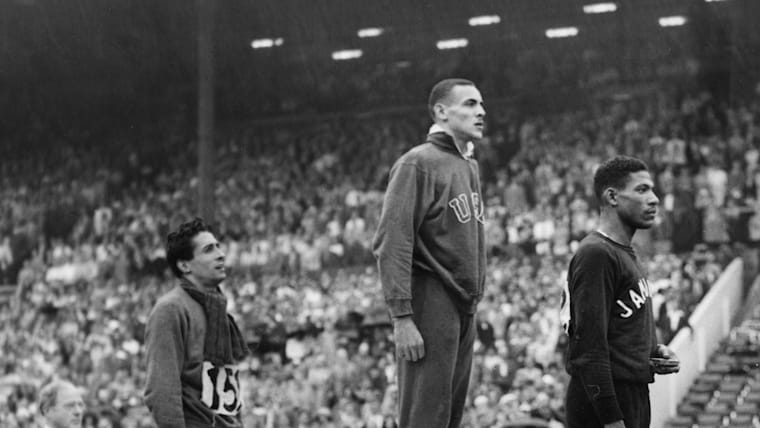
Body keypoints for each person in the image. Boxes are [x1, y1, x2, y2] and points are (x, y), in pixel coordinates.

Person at [372, 78, 487, 428]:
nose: (481, 111)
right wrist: (401, 317)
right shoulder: (417, 163)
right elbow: (392, 241)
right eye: (469, 104)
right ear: (441, 112)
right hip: (430, 298)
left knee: (449, 417)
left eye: (481, 104)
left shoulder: (468, 165)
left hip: (463, 303)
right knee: (425, 417)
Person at [562, 156, 680, 428]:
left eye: (652, 190)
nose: (654, 199)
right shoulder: (597, 254)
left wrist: (653, 353)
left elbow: (618, 330)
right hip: (604, 402)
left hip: (630, 394)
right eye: (642, 190)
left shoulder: (623, 252)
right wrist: (611, 418)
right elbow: (589, 348)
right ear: (612, 196)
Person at [144, 218, 249, 428]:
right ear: (184, 265)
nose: (221, 254)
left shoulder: (218, 309)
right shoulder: (170, 309)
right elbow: (162, 391)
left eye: (218, 246)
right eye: (209, 250)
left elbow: (226, 388)